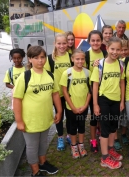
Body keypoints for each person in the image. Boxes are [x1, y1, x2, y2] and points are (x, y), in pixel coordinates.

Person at [13, 46, 62, 176]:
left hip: (45, 118)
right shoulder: (25, 77)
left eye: (42, 57)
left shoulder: (50, 75)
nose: (40, 60)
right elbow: (17, 99)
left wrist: (59, 111)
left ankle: (43, 163)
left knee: (43, 143)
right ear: (29, 59)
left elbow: (55, 94)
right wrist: (19, 121)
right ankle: (35, 171)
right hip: (30, 120)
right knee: (32, 147)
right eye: (36, 58)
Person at [91, 37, 125, 169]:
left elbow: (122, 82)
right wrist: (95, 104)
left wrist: (122, 100)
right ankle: (104, 158)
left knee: (113, 127)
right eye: (112, 49)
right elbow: (95, 85)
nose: (115, 52)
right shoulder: (100, 64)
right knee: (104, 129)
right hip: (103, 100)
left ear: (121, 50)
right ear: (107, 48)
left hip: (116, 100)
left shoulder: (121, 64)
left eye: (118, 49)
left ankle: (110, 149)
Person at [59, 49, 92, 158]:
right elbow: (64, 91)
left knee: (82, 126)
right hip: (71, 107)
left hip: (83, 106)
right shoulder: (67, 73)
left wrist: (86, 104)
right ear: (72, 59)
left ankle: (81, 145)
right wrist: (72, 107)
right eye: (77, 59)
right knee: (72, 128)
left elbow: (90, 91)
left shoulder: (87, 73)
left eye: (82, 59)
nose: (80, 61)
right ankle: (74, 146)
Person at [44, 33, 73, 150]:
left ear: (68, 44)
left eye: (64, 43)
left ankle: (70, 135)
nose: (62, 46)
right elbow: (46, 76)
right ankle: (60, 137)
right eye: (59, 43)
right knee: (59, 116)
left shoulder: (71, 56)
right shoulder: (50, 58)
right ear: (55, 44)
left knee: (70, 116)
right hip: (57, 94)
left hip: (70, 93)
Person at [85, 30, 107, 153]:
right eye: (93, 40)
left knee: (102, 115)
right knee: (94, 116)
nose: (95, 42)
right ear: (89, 41)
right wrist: (93, 66)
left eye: (98, 40)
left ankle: (101, 133)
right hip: (91, 90)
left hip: (104, 90)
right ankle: (93, 140)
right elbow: (82, 72)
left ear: (101, 41)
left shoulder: (105, 53)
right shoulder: (86, 55)